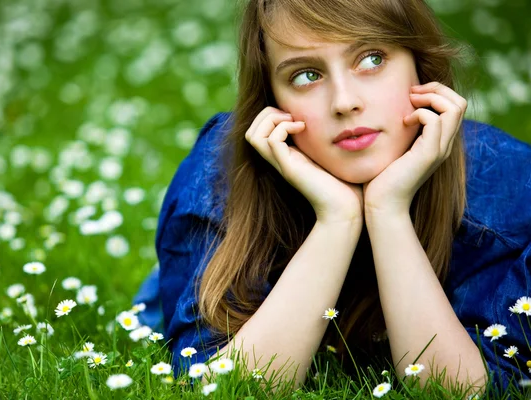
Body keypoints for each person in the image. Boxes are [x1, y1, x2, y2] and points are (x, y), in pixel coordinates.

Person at [133, 0, 531, 395]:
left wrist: (387, 211)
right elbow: (222, 388)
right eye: (307, 75)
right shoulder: (222, 170)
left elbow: (464, 391)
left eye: (372, 59)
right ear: (273, 101)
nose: (344, 102)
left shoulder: (507, 188)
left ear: (420, 65)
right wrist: (337, 219)